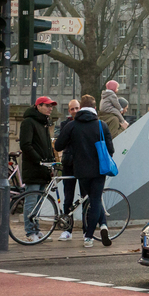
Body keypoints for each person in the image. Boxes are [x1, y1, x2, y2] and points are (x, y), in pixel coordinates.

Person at [55, 95, 114, 248]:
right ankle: (89, 236)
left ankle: (99, 227)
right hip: (99, 170)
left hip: (81, 171)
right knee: (94, 201)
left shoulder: (72, 125)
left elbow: (59, 146)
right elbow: (111, 150)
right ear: (95, 109)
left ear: (80, 109)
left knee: (85, 198)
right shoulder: (102, 125)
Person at [19, 96, 57, 242]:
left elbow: (47, 146)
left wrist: (50, 162)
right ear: (38, 106)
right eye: (47, 106)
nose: (50, 108)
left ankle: (37, 230)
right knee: (31, 201)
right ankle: (30, 232)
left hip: (43, 168)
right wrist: (39, 160)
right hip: (34, 168)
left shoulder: (44, 123)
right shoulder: (29, 122)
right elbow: (26, 145)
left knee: (40, 202)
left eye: (51, 106)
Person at [58, 99, 80, 241]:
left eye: (77, 108)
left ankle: (87, 232)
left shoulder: (86, 124)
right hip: (69, 164)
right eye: (72, 109)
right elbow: (61, 142)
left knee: (86, 197)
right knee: (68, 198)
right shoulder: (65, 125)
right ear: (69, 111)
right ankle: (67, 229)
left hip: (83, 164)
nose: (75, 111)